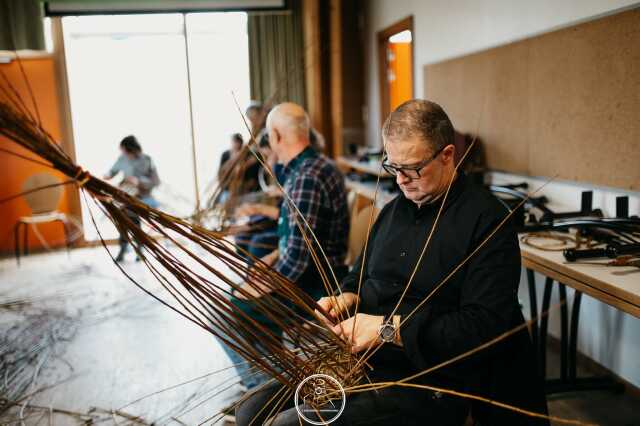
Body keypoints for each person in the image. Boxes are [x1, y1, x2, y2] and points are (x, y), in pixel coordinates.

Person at [235, 100, 548, 425]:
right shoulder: (394, 212)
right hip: (368, 361)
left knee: (287, 424)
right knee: (251, 409)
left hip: (433, 378)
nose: (400, 180)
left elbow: (483, 328)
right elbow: (361, 273)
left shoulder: (487, 220)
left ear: (447, 155)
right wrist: (345, 297)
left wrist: (388, 330)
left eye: (412, 169)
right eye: (393, 167)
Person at [219, 102, 350, 393]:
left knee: (226, 312)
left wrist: (263, 285)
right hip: (314, 272)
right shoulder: (315, 166)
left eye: (268, 137)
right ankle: (278, 373)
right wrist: (272, 257)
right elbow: (300, 238)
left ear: (276, 136)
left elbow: (301, 257)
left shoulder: (305, 178)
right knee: (247, 285)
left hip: (318, 285)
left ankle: (267, 389)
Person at [104, 135, 159, 262]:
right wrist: (106, 176)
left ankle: (132, 247)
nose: (123, 153)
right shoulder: (122, 159)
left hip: (143, 195)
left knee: (129, 212)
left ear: (131, 149)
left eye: (124, 150)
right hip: (126, 194)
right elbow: (112, 172)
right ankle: (131, 247)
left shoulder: (147, 160)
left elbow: (155, 181)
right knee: (121, 213)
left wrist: (138, 181)